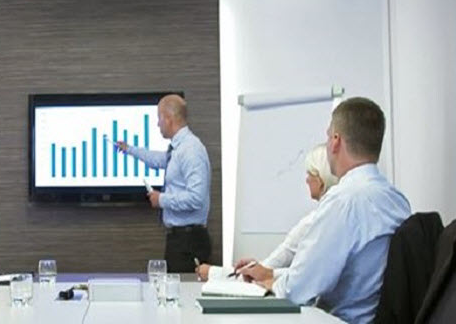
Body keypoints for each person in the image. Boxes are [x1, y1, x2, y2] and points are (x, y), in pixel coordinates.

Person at [240, 97, 411, 324]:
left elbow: (298, 289)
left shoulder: (343, 201)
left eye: (328, 136)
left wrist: (270, 282)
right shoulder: (398, 201)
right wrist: (273, 275)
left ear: (336, 141)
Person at [196, 144, 338, 281]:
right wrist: (257, 268)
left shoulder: (313, 222)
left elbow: (274, 271)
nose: (306, 180)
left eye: (309, 174)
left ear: (320, 180)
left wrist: (213, 273)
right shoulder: (336, 217)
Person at [116, 94, 211, 272]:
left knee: (183, 288)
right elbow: (160, 160)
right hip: (180, 239)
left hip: (188, 242)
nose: (157, 124)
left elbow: (196, 198)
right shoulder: (179, 148)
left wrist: (161, 199)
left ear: (168, 118)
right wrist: (129, 149)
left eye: (159, 118)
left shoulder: (191, 150)